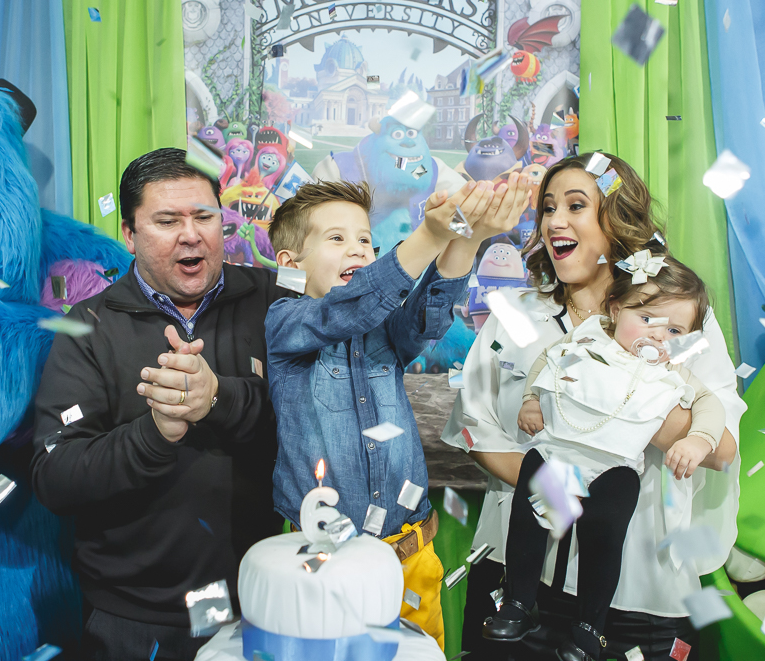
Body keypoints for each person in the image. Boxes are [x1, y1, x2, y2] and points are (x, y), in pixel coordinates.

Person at [442, 153, 746, 661]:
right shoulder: (515, 315)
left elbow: (722, 450)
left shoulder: (678, 321)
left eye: (576, 205)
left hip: (635, 591)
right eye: (548, 208)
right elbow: (475, 431)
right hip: (514, 580)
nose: (554, 221)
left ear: (618, 219)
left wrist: (626, 381)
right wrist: (564, 493)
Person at [30, 148, 290, 661]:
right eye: (167, 221)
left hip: (262, 602)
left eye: (204, 217)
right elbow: (55, 477)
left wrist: (219, 397)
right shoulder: (86, 328)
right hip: (134, 618)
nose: (191, 235)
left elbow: (315, 415)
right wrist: (155, 433)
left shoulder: (276, 301)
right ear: (129, 234)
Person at [265, 175, 531, 648]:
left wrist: (467, 237)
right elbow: (350, 308)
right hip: (325, 567)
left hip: (411, 561)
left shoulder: (384, 332)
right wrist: (429, 233)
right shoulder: (285, 322)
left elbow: (429, 314)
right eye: (337, 238)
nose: (357, 250)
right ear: (290, 263)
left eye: (365, 241)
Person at [484, 256, 726, 661]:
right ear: (615, 309)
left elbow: (709, 405)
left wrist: (699, 440)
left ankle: (589, 628)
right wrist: (531, 400)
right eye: (646, 318)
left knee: (604, 541)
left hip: (615, 468)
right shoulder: (590, 338)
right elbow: (547, 358)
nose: (659, 336)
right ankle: (520, 602)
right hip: (561, 458)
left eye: (675, 331)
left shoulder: (672, 372)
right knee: (531, 523)